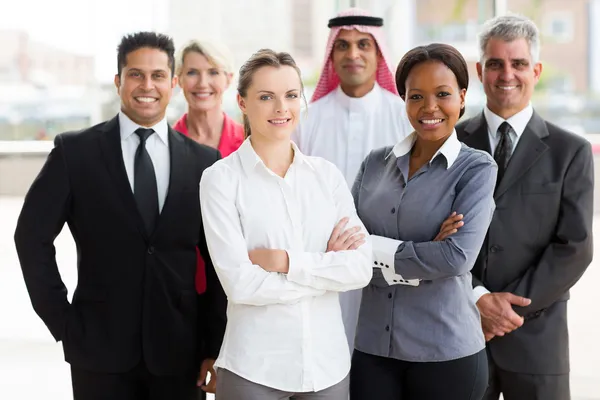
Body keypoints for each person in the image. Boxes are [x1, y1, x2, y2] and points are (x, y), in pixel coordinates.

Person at [13, 32, 227, 400]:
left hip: (179, 353)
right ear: (118, 81)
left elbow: (216, 262)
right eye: (135, 74)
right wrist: (62, 321)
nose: (148, 85)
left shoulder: (204, 163)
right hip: (97, 352)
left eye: (158, 75)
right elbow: (30, 237)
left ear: (173, 83)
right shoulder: (74, 153)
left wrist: (214, 345)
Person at [200, 49, 373, 400]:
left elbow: (360, 269)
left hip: (327, 369)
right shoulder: (220, 180)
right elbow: (241, 286)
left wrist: (285, 262)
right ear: (242, 103)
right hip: (254, 370)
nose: (282, 108)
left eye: (291, 95)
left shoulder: (327, 176)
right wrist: (325, 273)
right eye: (266, 97)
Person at [456, 14, 594, 400]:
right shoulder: (450, 144)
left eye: (517, 64)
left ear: (535, 70)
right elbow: (429, 231)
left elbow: (575, 246)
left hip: (537, 341)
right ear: (480, 70)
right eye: (496, 64)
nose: (507, 75)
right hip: (461, 335)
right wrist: (479, 297)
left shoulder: (571, 151)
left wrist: (507, 311)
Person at [350, 43, 496, 400]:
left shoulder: (476, 168)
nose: (429, 108)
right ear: (404, 100)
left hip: (446, 353)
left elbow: (456, 259)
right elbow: (340, 246)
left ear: (462, 97)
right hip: (372, 349)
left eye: (443, 94)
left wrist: (373, 249)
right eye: (416, 96)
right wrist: (426, 251)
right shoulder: (374, 163)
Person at [293, 7, 413, 350]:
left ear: (379, 53)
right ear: (332, 54)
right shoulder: (308, 119)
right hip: (321, 264)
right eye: (342, 46)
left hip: (388, 267)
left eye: (364, 44)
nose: (353, 54)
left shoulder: (403, 117)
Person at [173, 40, 244, 296]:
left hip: (237, 284)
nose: (203, 83)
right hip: (180, 285)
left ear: (228, 79)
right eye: (192, 72)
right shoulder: (163, 149)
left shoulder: (250, 146)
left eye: (213, 72)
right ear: (178, 79)